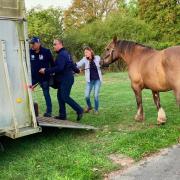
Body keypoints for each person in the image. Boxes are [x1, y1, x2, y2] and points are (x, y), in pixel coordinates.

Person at [39, 39, 83, 121]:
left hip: (66, 80)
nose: (54, 46)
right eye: (53, 44)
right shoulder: (66, 53)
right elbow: (72, 65)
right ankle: (62, 115)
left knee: (65, 97)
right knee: (60, 96)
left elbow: (59, 68)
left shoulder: (62, 55)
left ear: (60, 44)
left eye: (55, 44)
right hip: (64, 79)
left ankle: (79, 110)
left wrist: (46, 70)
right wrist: (77, 70)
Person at [30, 37, 54, 117]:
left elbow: (52, 64)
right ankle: (28, 110)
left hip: (44, 78)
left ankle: (49, 112)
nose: (32, 45)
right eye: (31, 44)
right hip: (33, 78)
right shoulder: (29, 52)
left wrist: (47, 70)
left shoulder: (46, 51)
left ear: (38, 43)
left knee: (46, 94)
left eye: (33, 43)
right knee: (26, 91)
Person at [76, 47, 102, 114]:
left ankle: (96, 110)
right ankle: (89, 107)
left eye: (87, 52)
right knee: (86, 96)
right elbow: (78, 65)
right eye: (84, 53)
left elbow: (101, 64)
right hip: (89, 81)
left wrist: (100, 64)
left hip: (97, 80)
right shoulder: (84, 59)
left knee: (96, 95)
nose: (85, 54)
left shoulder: (97, 57)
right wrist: (76, 68)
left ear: (90, 52)